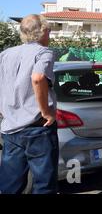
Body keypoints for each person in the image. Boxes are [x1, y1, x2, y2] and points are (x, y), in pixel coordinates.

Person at [0, 14, 58, 194]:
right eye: (48, 31)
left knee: (10, 184)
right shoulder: (44, 52)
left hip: (10, 128)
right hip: (37, 129)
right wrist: (46, 112)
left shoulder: (5, 54)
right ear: (42, 32)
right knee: (44, 184)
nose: (49, 35)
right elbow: (38, 77)